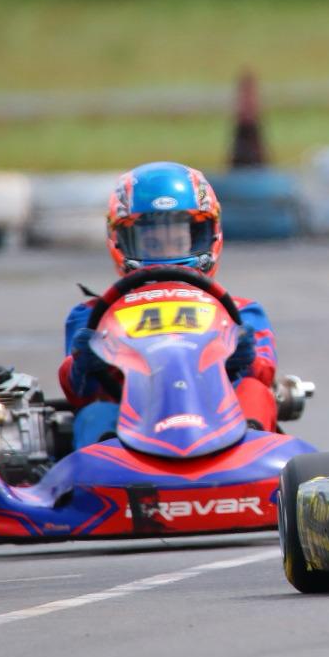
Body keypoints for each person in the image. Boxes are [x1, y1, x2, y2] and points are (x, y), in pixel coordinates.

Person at [58, 162, 278, 448]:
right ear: (121, 242)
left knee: (254, 392)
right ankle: (104, 473)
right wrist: (84, 365)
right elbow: (78, 394)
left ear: (207, 235)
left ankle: (252, 453)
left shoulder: (239, 312)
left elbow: (265, 373)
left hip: (219, 422)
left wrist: (245, 361)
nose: (166, 252)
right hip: (134, 430)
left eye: (178, 240)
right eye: (152, 243)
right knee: (94, 414)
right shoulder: (92, 316)